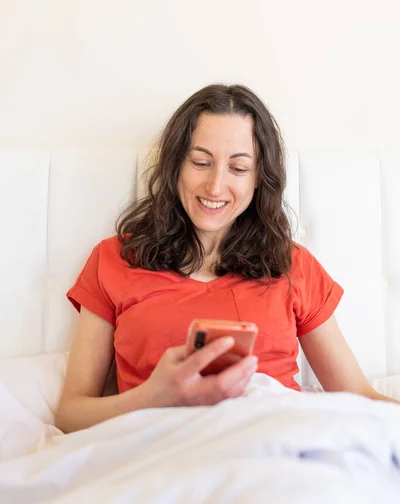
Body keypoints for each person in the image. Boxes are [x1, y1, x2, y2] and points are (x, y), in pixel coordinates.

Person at [55, 84, 397, 433]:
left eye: (238, 168)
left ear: (259, 179)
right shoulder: (115, 259)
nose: (215, 187)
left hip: (274, 451)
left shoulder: (293, 265)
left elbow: (358, 396)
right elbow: (70, 415)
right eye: (201, 163)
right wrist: (155, 396)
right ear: (175, 165)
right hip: (161, 454)